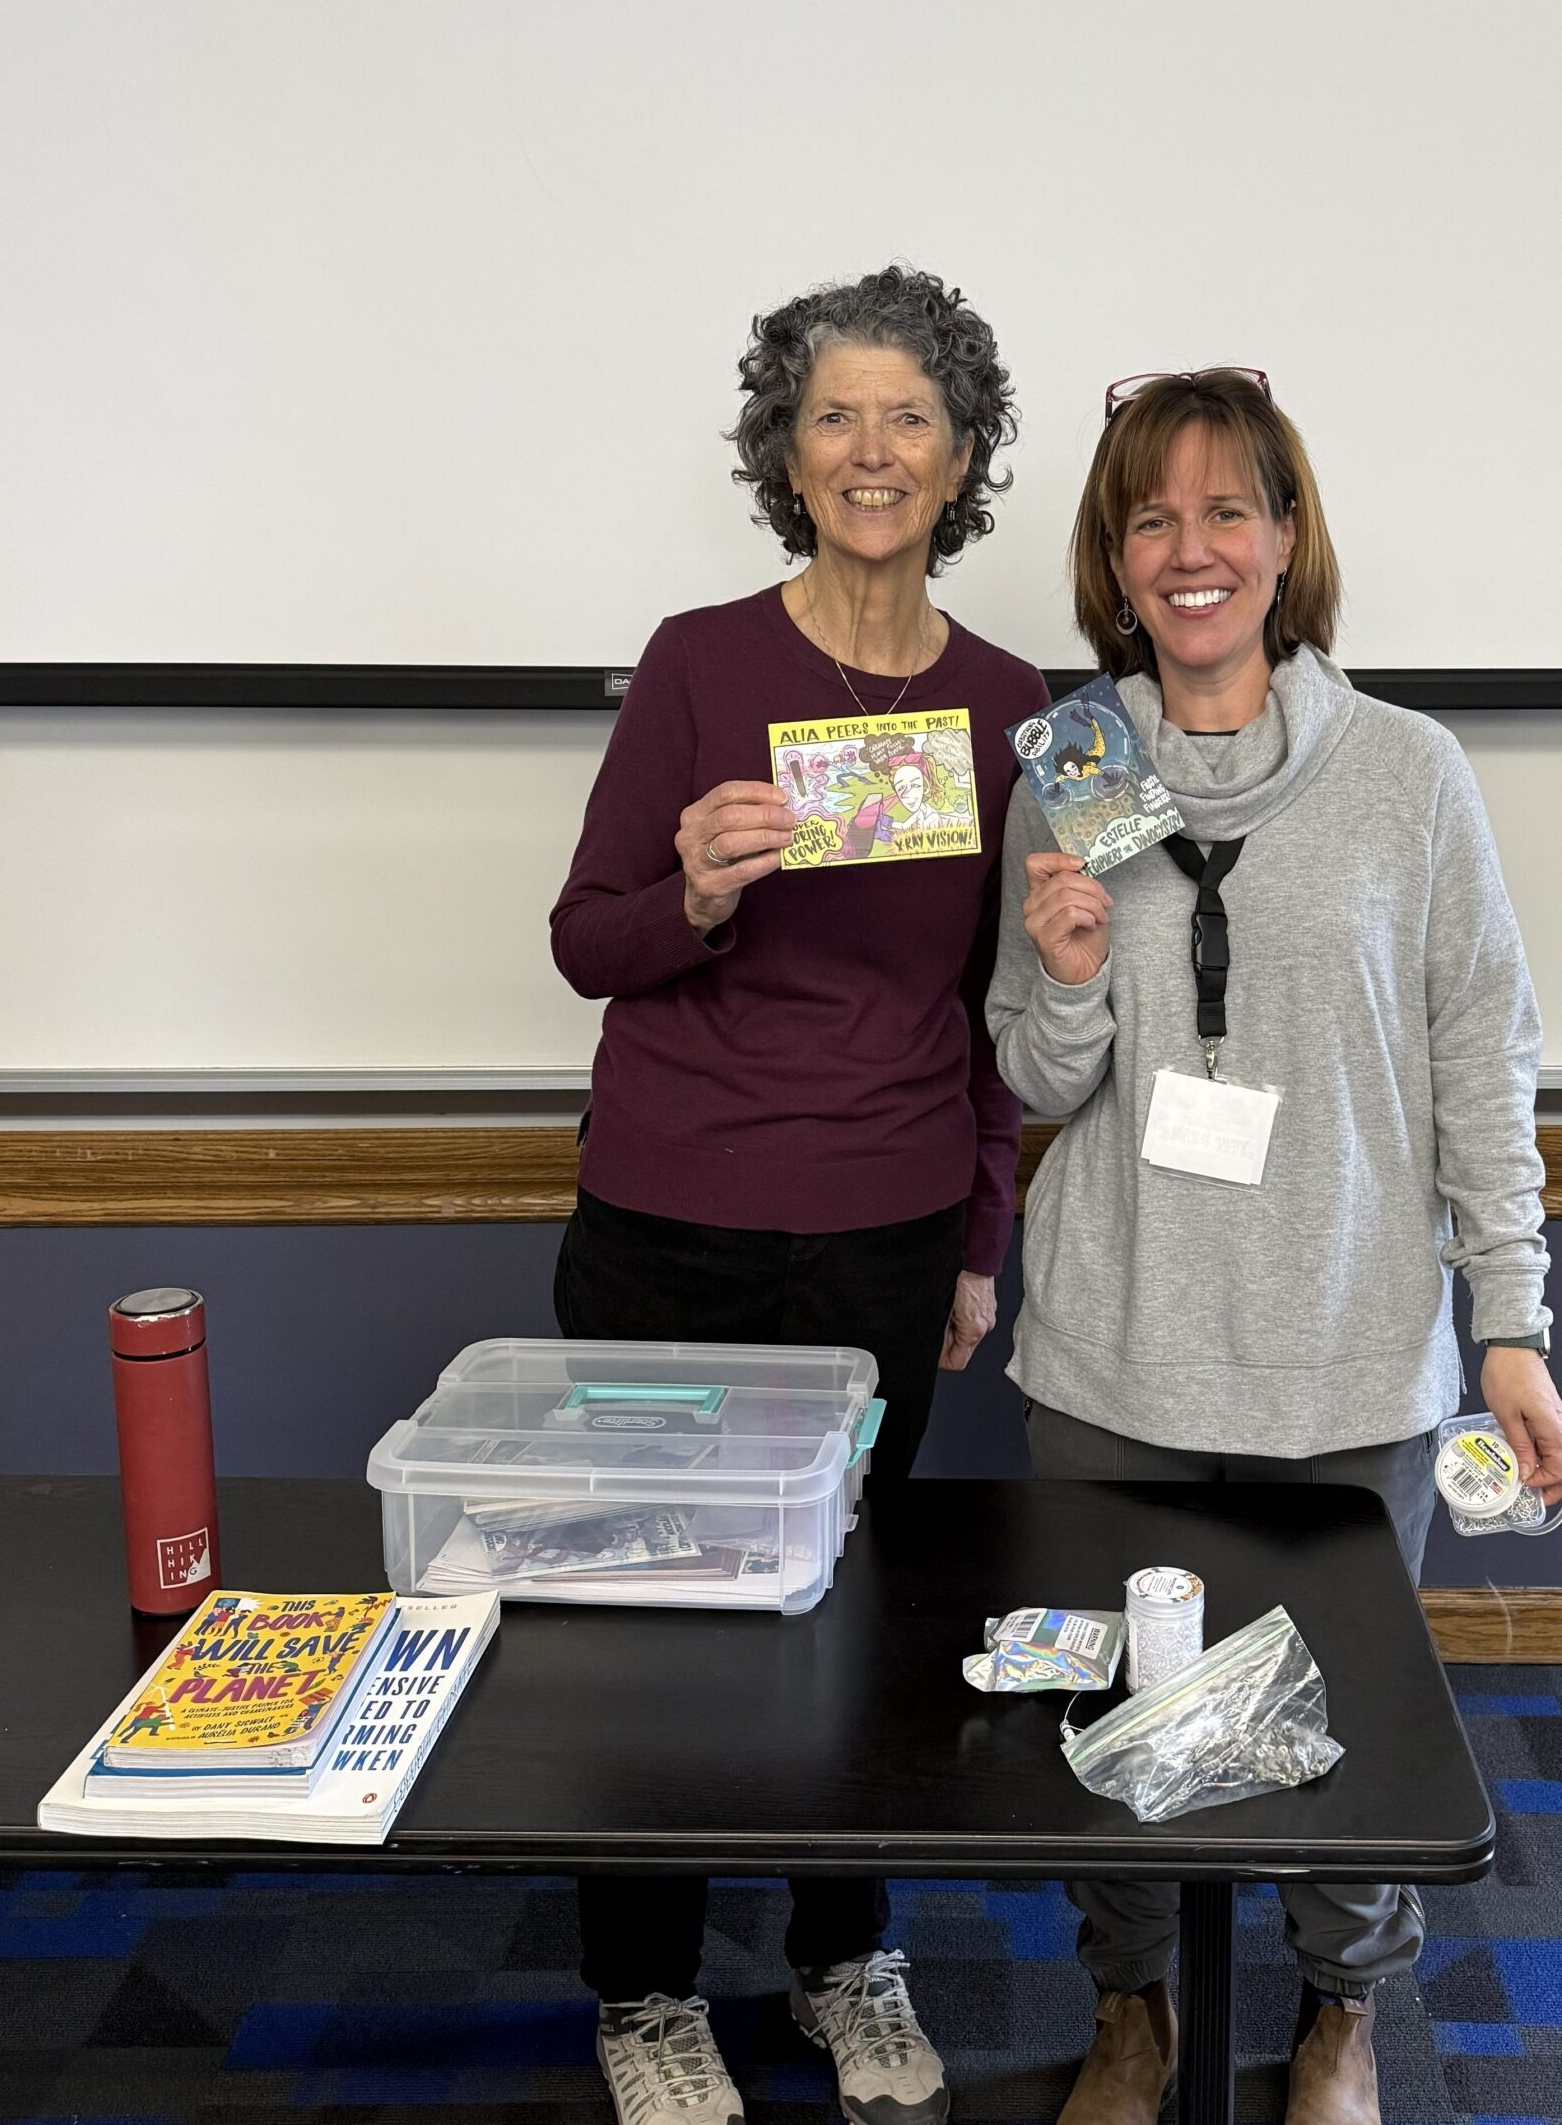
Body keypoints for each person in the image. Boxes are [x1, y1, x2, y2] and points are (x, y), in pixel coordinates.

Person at [986, 370, 1562, 2125]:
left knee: (1349, 1725)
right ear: (1114, 558)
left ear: (1287, 537)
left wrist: (1513, 1321)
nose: (1191, 551)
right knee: (1114, 1722)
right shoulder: (1070, 775)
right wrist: (1071, 976)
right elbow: (1036, 1076)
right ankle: (1131, 2013)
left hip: (1347, 1351)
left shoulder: (1408, 774)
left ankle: (1341, 2016)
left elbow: (1483, 1053)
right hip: (1115, 1349)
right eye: (1151, 518)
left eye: (1227, 511)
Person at [550, 266, 1049, 2125]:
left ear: (963, 456)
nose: (871, 448)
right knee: (647, 1615)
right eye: (834, 414)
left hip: (886, 1230)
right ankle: (646, 1991)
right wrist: (689, 889)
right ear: (786, 452)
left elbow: (997, 1013)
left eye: (909, 414)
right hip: (667, 1219)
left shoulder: (1013, 707)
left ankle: (846, 1956)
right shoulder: (699, 663)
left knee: (856, 1610)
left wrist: (980, 1242)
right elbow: (583, 943)